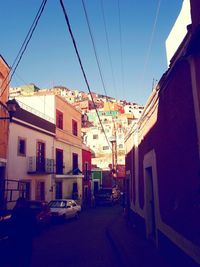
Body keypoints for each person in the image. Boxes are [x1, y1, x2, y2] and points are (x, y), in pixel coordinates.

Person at [8, 197, 38, 267]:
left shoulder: (16, 211)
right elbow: (34, 224)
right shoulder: (29, 211)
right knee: (25, 255)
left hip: (19, 237)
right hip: (25, 237)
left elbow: (12, 223)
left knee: (19, 255)